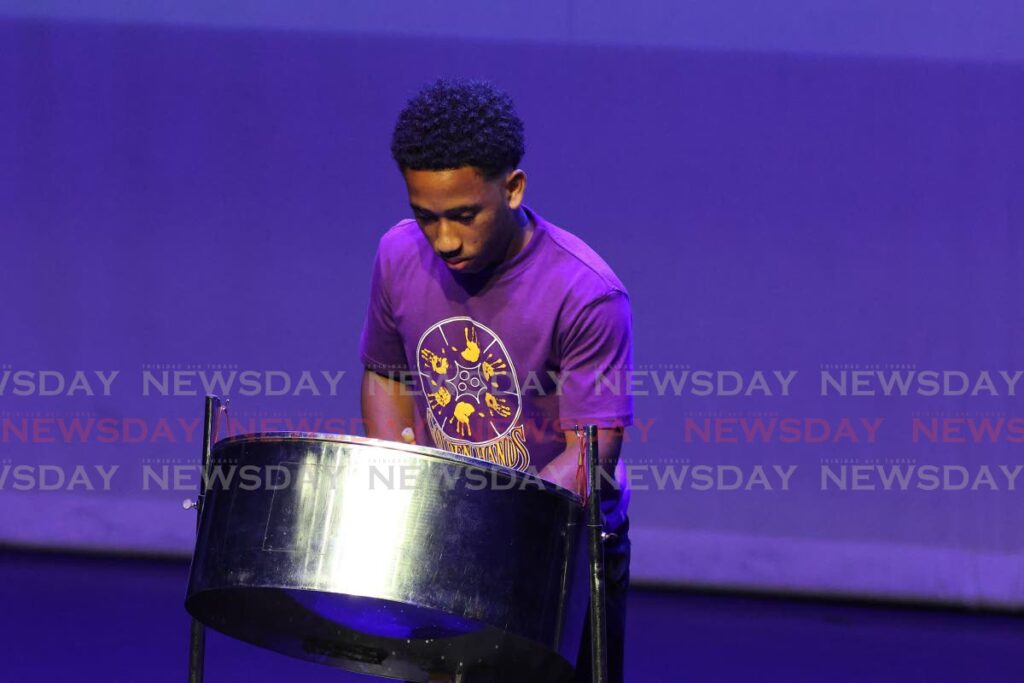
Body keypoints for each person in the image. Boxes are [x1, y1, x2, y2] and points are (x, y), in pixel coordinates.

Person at [359, 78, 633, 682]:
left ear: (512, 188)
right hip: (440, 541)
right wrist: (400, 483)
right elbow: (386, 374)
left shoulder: (587, 293)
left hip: (562, 548)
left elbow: (594, 450)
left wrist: (487, 524)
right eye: (425, 217)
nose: (445, 239)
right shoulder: (398, 256)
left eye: (463, 215)